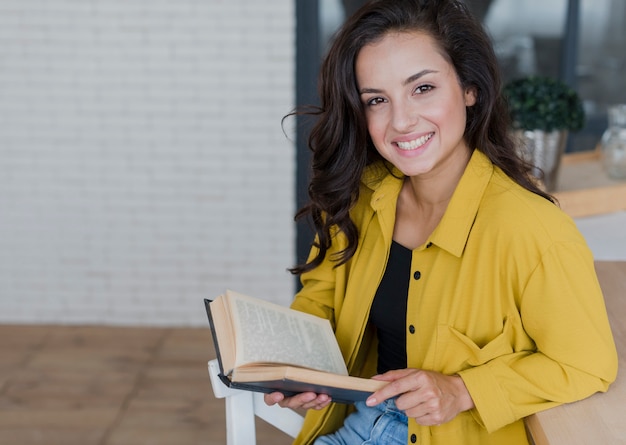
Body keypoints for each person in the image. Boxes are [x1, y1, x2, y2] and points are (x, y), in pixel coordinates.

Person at [265, 0, 618, 444]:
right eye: (377, 99)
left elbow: (585, 363)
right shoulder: (360, 199)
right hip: (358, 422)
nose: (401, 120)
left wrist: (463, 389)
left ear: (470, 88)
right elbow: (319, 302)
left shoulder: (534, 230)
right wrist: (303, 365)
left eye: (423, 88)